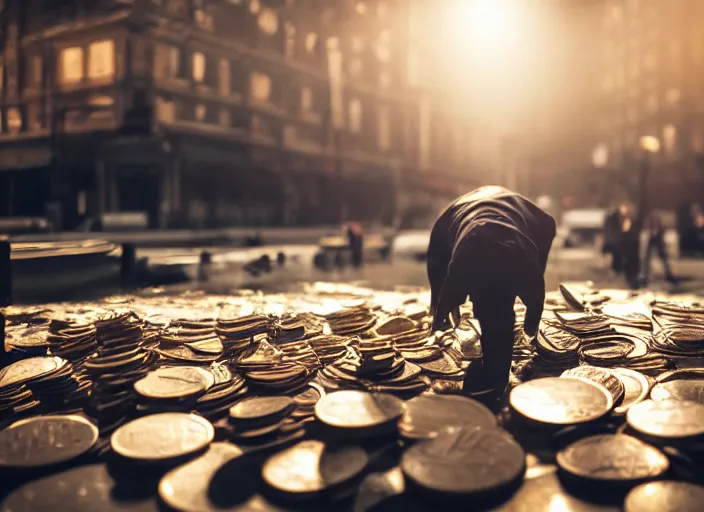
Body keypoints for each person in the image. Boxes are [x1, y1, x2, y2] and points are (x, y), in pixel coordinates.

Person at [426, 186, 556, 399]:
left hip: (523, 228)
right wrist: (439, 303)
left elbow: (546, 227)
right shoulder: (444, 235)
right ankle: (498, 362)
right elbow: (439, 273)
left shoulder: (527, 263)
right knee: (498, 324)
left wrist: (533, 313)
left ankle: (496, 361)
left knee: (498, 324)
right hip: (463, 215)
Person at [642, 213, 675, 285]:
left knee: (659, 258)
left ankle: (668, 275)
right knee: (648, 259)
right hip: (653, 238)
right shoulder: (653, 228)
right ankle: (645, 276)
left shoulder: (658, 230)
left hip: (656, 239)